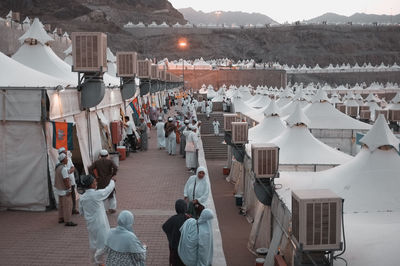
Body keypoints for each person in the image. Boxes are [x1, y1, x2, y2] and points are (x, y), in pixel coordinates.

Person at [79, 175, 116, 265]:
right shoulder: (96, 194)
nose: (96, 183)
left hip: (90, 224)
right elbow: (107, 190)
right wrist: (112, 181)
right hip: (100, 224)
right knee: (104, 244)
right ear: (91, 184)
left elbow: (81, 212)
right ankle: (99, 261)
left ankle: (95, 262)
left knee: (93, 243)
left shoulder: (82, 197)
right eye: (95, 181)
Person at [88, 149, 118, 214]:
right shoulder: (110, 161)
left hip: (100, 180)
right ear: (107, 155)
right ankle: (112, 208)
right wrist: (112, 175)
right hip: (108, 180)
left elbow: (90, 169)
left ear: (100, 155)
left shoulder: (97, 162)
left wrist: (95, 177)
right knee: (111, 194)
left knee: (102, 195)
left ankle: (104, 209)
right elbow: (115, 168)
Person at [162, 199, 188, 266]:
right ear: (185, 208)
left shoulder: (173, 218)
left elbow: (164, 227)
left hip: (174, 247)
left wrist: (170, 237)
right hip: (185, 248)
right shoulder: (188, 219)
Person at [54, 153, 77, 226]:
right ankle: (68, 221)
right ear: (63, 160)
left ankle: (61, 218)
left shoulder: (58, 167)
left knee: (61, 205)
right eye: (66, 158)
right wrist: (69, 189)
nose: (67, 159)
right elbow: (66, 180)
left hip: (59, 189)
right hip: (64, 190)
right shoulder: (63, 169)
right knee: (68, 205)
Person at [58, 147, 79, 215]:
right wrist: (67, 171)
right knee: (66, 197)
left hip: (71, 180)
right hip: (65, 182)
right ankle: (67, 211)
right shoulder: (59, 161)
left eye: (65, 152)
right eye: (64, 152)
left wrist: (70, 170)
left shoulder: (69, 159)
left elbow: (73, 167)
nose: (66, 153)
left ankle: (74, 208)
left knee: (73, 195)